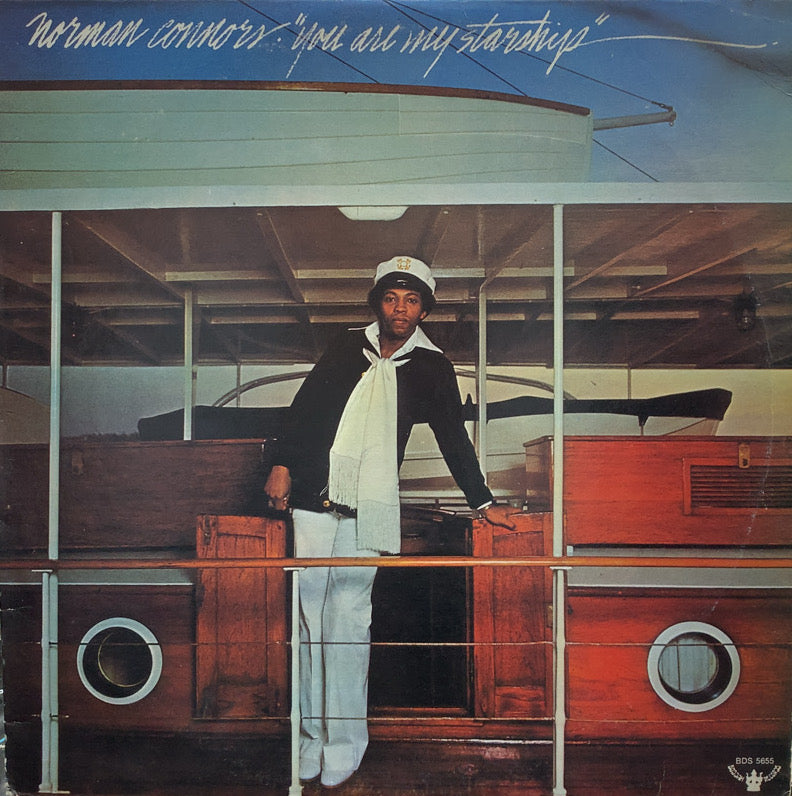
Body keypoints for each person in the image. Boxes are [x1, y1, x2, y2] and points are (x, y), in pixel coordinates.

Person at [264, 255, 517, 789]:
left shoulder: (432, 366)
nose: (400, 309)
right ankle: (310, 740)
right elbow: (304, 410)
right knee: (308, 619)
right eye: (391, 298)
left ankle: (344, 744)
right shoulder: (345, 346)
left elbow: (453, 437)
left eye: (411, 300)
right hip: (312, 498)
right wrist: (281, 465)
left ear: (424, 310)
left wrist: (483, 502)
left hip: (370, 507)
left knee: (348, 619)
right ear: (378, 303)